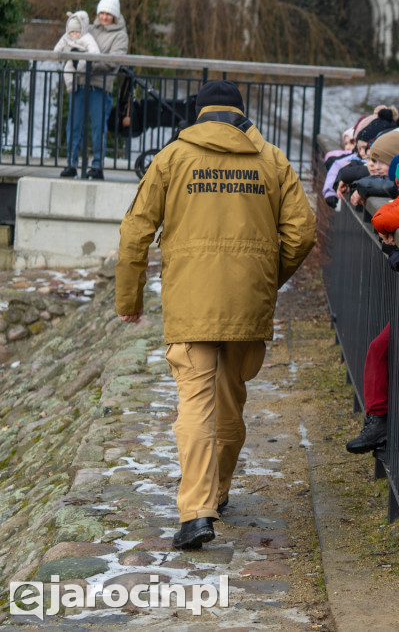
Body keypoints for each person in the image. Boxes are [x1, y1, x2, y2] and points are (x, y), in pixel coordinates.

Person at [115, 80, 316, 550]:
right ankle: (218, 492)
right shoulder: (271, 159)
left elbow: (134, 234)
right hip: (248, 303)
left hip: (191, 305)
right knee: (230, 402)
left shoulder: (172, 158)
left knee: (196, 404)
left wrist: (129, 300)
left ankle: (196, 512)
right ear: (240, 115)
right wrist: (265, 279)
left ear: (200, 115)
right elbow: (302, 233)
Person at [70, 0, 128, 180]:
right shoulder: (90, 30)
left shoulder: (120, 36)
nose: (104, 17)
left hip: (100, 87)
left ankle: (97, 166)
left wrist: (88, 64)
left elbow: (113, 62)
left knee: (97, 128)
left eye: (108, 14)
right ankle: (72, 164)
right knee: (75, 125)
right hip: (80, 84)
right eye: (101, 13)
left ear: (115, 16)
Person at [54, 10, 99, 178]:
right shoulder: (67, 37)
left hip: (84, 71)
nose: (74, 34)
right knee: (73, 124)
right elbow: (57, 50)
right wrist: (64, 51)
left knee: (90, 125)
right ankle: (71, 162)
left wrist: (80, 60)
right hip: (74, 76)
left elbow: (95, 53)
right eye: (71, 31)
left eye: (76, 31)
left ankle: (93, 164)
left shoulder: (87, 38)